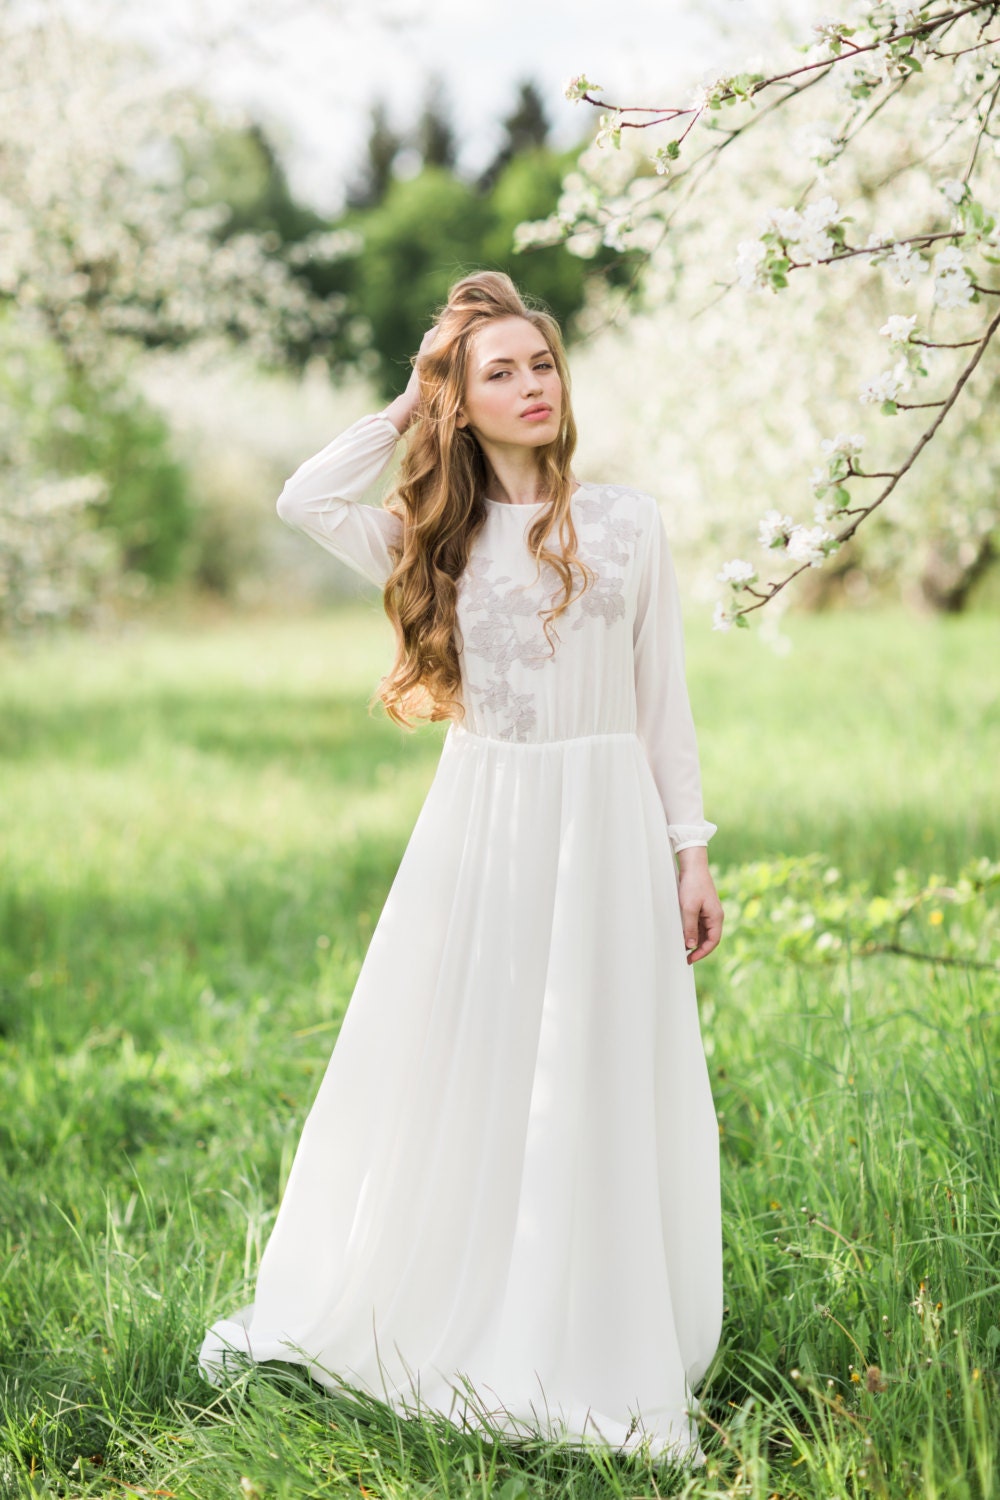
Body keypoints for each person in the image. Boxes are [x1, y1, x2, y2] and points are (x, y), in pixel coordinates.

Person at [199, 270, 725, 1468]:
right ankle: (458, 1301)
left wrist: (686, 849)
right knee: (473, 1065)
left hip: (604, 826)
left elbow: (663, 711)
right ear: (463, 401)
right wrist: (409, 397)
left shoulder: (630, 523)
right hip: (483, 830)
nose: (532, 386)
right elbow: (299, 495)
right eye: (501, 373)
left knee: (596, 1067)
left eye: (541, 364)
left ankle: (587, 1331)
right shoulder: (430, 536)